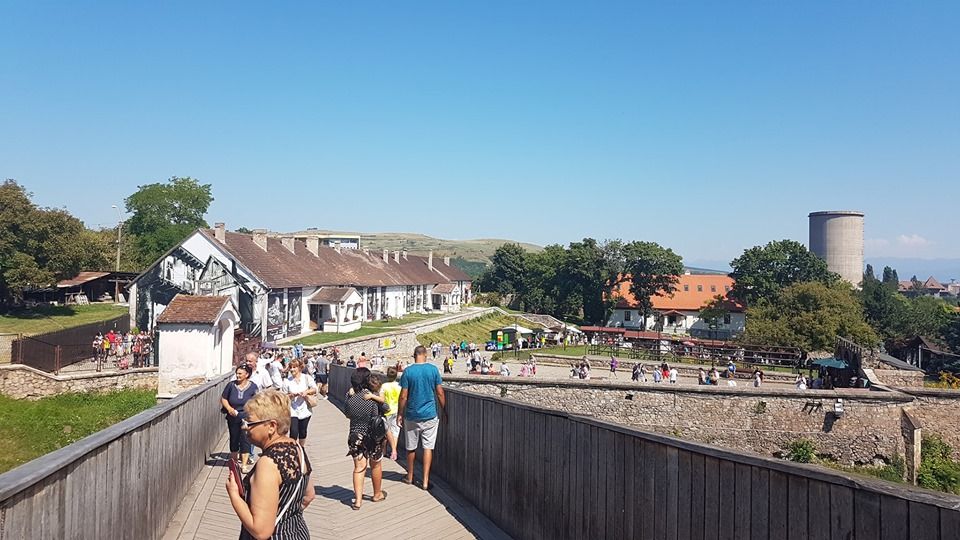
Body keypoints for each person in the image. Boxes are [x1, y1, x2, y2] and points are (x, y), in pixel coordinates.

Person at [226, 390, 314, 539]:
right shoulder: (298, 448)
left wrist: (234, 495)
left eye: (250, 422)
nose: (244, 427)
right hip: (298, 533)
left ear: (272, 426)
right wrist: (285, 517)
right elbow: (309, 495)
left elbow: (261, 532)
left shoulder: (267, 464)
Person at [397, 345, 445, 491]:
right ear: (425, 354)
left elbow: (403, 396)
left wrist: (400, 413)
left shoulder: (408, 371)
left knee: (411, 448)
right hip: (430, 414)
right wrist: (444, 410)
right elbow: (440, 393)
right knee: (428, 447)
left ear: (414, 355)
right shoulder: (433, 370)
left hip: (412, 414)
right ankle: (425, 481)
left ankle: (410, 476)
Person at [345, 368, 389, 510]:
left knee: (359, 468)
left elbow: (347, 414)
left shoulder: (350, 396)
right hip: (372, 435)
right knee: (375, 464)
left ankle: (358, 501)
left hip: (355, 434)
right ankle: (377, 494)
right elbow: (385, 408)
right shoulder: (371, 396)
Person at [220, 364, 259, 473]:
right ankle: (235, 463)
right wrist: (229, 408)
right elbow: (223, 398)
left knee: (245, 440)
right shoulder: (231, 385)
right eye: (237, 373)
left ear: (247, 374)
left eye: (240, 374)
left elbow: (257, 401)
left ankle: (244, 465)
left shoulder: (253, 387)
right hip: (232, 416)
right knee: (234, 438)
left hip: (246, 417)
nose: (237, 375)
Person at [283, 359, 317, 447]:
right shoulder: (287, 381)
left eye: (294, 367)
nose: (292, 369)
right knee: (294, 431)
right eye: (290, 367)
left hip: (305, 409)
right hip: (293, 409)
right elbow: (284, 396)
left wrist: (306, 392)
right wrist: (292, 395)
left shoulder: (306, 378)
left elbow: (314, 389)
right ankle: (293, 449)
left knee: (303, 431)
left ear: (300, 368)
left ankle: (301, 447)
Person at [381, 367, 402, 460]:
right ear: (396, 376)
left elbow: (381, 399)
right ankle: (394, 451)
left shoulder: (384, 386)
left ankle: (384, 451)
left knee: (385, 431)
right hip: (397, 410)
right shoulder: (399, 386)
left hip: (386, 411)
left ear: (387, 375)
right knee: (395, 432)